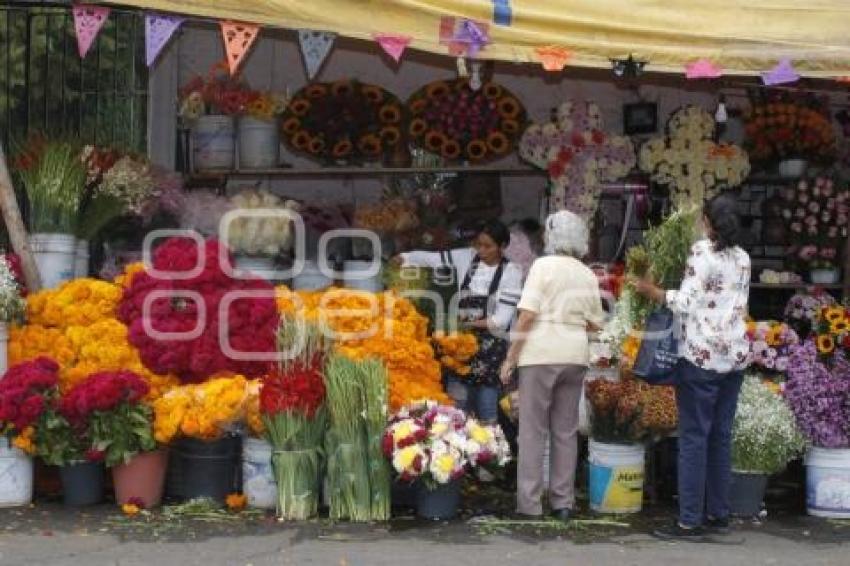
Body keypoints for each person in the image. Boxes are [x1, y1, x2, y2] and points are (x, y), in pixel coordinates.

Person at [632, 193, 750, 541]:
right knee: (720, 437)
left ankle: (688, 521)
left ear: (709, 222)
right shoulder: (742, 257)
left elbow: (685, 302)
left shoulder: (702, 252)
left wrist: (652, 291)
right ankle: (718, 513)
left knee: (694, 438)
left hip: (700, 358)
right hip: (734, 357)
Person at [499, 210, 605, 522]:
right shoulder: (586, 272)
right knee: (565, 431)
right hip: (574, 355)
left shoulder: (542, 266)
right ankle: (563, 503)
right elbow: (596, 324)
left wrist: (510, 358)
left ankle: (529, 505)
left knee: (532, 431)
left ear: (551, 236)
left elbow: (527, 315)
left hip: (541, 354)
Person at [397, 220, 523, 423]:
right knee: (457, 411)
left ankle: (489, 452)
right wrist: (406, 257)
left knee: (486, 413)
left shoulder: (511, 273)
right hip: (458, 352)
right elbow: (434, 259)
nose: (481, 250)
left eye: (488, 246)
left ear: (502, 246)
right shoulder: (466, 257)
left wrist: (467, 323)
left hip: (490, 355)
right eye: (479, 244)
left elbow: (500, 321)